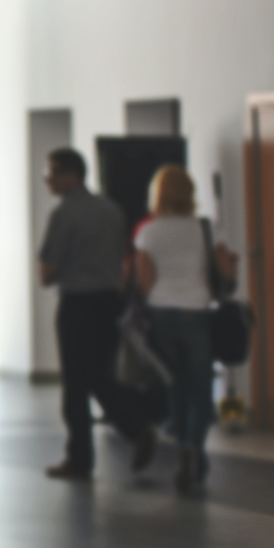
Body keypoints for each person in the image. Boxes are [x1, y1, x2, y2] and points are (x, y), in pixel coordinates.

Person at [37, 147, 158, 481]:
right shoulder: (112, 210)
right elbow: (123, 260)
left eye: (51, 173)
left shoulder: (63, 215)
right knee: (101, 375)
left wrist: (51, 271)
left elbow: (48, 271)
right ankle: (136, 429)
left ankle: (80, 459)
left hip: (77, 303)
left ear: (70, 175)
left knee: (76, 382)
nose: (48, 180)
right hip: (108, 302)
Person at [132, 165, 234, 491]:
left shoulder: (149, 232)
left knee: (174, 385)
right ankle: (193, 447)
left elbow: (144, 283)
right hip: (197, 312)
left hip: (162, 314)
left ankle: (182, 452)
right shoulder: (205, 229)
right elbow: (225, 270)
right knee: (201, 387)